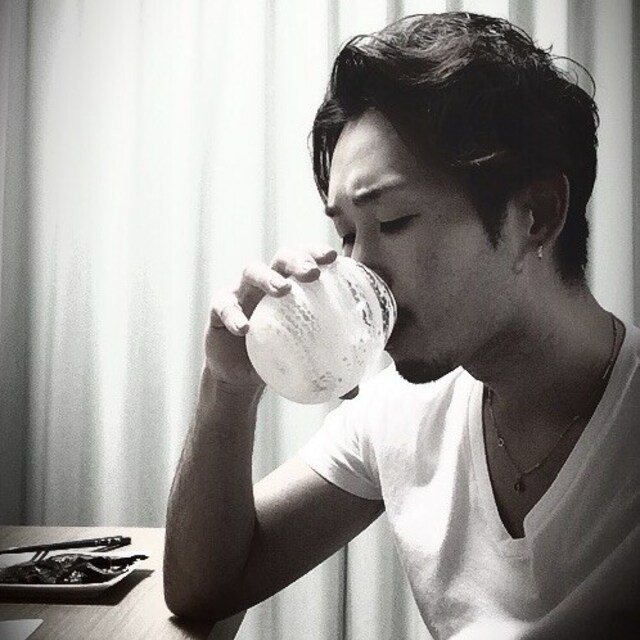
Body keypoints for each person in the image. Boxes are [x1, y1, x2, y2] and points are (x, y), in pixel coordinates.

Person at [163, 12, 640, 638]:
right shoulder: (400, 411)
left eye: (392, 222)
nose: (360, 272)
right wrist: (227, 387)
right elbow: (204, 589)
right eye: (345, 235)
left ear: (536, 214)